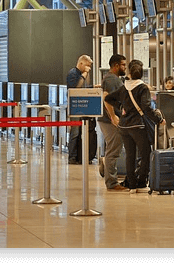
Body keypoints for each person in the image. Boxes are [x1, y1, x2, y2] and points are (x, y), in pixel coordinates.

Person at [104, 59, 164, 193]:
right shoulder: (142, 88)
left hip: (124, 126)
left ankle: (131, 185)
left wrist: (122, 107)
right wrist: (159, 119)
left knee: (130, 156)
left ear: (130, 72)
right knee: (145, 154)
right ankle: (142, 183)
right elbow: (146, 107)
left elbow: (108, 98)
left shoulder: (124, 87)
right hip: (138, 126)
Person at [99, 54, 128, 191]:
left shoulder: (112, 79)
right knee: (113, 150)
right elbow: (106, 97)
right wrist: (113, 116)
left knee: (113, 149)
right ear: (116, 65)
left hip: (110, 119)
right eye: (123, 65)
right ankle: (111, 182)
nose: (125, 67)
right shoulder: (111, 79)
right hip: (109, 120)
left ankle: (109, 174)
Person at [66, 54, 97, 164]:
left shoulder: (80, 74)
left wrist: (94, 87)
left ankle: (81, 156)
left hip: (81, 106)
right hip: (74, 107)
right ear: (81, 63)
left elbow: (83, 88)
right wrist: (84, 75)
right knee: (74, 133)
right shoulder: (73, 73)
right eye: (87, 66)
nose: (88, 68)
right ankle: (72, 157)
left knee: (80, 132)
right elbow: (76, 89)